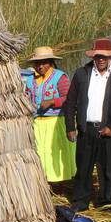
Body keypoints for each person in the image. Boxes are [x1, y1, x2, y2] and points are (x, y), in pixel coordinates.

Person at [62, 38, 111, 211]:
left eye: (104, 56)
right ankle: (80, 202)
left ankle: (107, 204)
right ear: (93, 56)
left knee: (108, 170)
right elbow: (70, 103)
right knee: (83, 168)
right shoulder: (81, 74)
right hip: (86, 130)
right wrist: (70, 126)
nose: (101, 59)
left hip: (108, 131)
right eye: (98, 56)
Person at [20, 46, 76, 183]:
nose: (40, 66)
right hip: (37, 122)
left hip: (55, 122)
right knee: (41, 153)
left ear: (50, 62)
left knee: (55, 152)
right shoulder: (30, 79)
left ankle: (60, 183)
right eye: (37, 63)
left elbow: (69, 98)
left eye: (44, 62)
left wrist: (52, 101)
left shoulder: (59, 77)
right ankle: (44, 181)